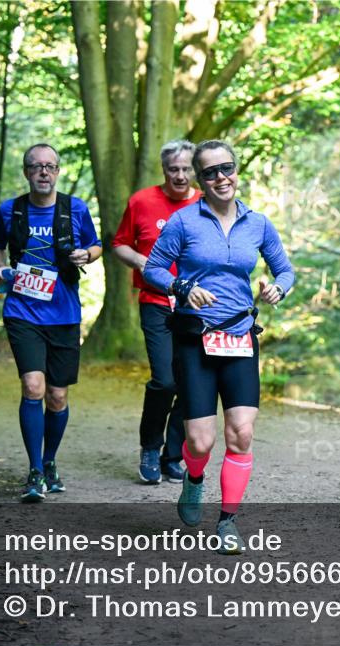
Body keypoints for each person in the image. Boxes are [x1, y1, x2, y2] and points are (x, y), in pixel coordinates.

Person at [144, 140, 294, 554]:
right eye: (209, 172)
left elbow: (284, 269)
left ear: (236, 170)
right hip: (195, 338)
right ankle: (194, 480)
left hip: (240, 336)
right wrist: (181, 287)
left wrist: (277, 288)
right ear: (200, 178)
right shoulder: (183, 221)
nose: (220, 177)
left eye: (226, 168)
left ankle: (228, 521)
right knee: (200, 442)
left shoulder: (258, 223)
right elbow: (153, 269)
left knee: (241, 433)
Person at [0, 143, 102, 503]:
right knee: (33, 386)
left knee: (57, 395)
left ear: (57, 172)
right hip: (22, 311)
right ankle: (35, 470)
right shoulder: (10, 210)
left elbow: (96, 245)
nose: (43, 172)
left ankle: (50, 461)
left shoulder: (75, 208)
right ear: (26, 172)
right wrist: (0, 268)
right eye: (36, 166)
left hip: (64, 313)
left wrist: (87, 254)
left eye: (50, 166)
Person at [113, 140, 201, 485]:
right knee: (165, 380)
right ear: (163, 169)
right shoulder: (141, 201)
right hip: (156, 302)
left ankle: (172, 456)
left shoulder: (206, 203)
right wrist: (140, 261)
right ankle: (150, 447)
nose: (180, 175)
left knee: (190, 381)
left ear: (195, 170)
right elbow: (119, 244)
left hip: (198, 307)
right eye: (173, 169)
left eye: (186, 169)